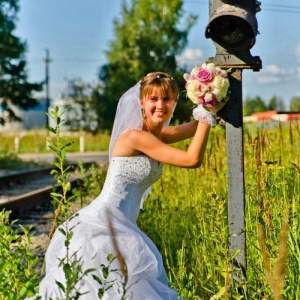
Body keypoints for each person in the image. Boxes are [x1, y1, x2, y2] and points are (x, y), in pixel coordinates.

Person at [31, 72, 226, 300]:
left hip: (121, 224)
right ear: (141, 102)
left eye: (167, 99)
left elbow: (192, 127)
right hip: (104, 224)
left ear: (174, 103)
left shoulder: (156, 134)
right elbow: (192, 159)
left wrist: (213, 101)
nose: (160, 105)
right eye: (153, 99)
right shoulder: (136, 137)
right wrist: (206, 114)